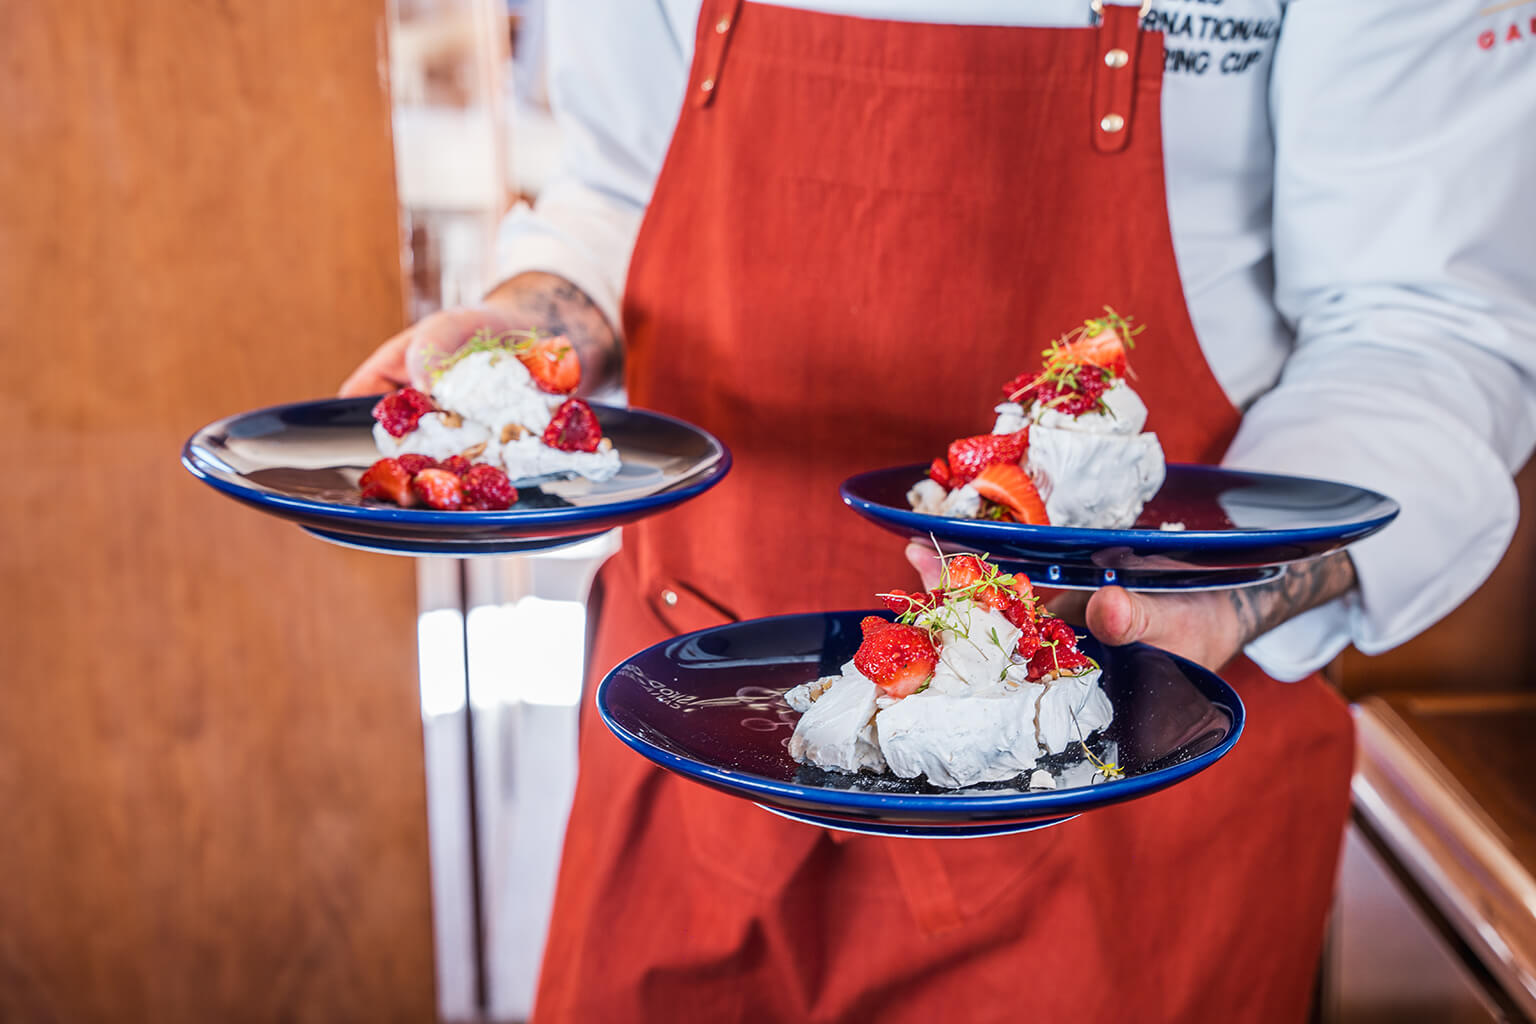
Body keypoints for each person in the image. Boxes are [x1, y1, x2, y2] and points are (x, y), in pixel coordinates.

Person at [343, 1, 1536, 1020]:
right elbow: (618, 184)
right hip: (693, 744)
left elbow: (1426, 326)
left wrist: (1225, 596)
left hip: (1121, 775)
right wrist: (528, 338)